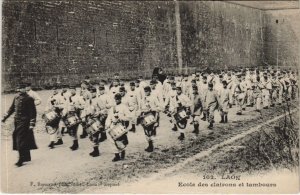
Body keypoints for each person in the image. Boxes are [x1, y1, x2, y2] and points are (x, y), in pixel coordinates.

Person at [2, 83, 37, 167]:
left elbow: (33, 112)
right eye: (19, 88)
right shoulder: (16, 97)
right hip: (17, 121)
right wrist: (4, 117)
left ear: (25, 89)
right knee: (21, 139)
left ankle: (21, 159)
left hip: (25, 122)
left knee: (20, 139)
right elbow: (11, 109)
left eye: (22, 88)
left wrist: (32, 124)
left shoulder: (29, 99)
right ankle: (26, 157)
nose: (21, 90)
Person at [140, 86, 161, 152]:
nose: (146, 92)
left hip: (152, 115)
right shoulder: (143, 99)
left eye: (147, 91)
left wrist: (152, 109)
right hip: (145, 115)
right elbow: (141, 107)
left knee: (150, 131)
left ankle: (151, 146)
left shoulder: (154, 98)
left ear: (150, 91)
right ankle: (150, 145)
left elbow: (159, 106)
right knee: (146, 131)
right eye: (145, 91)